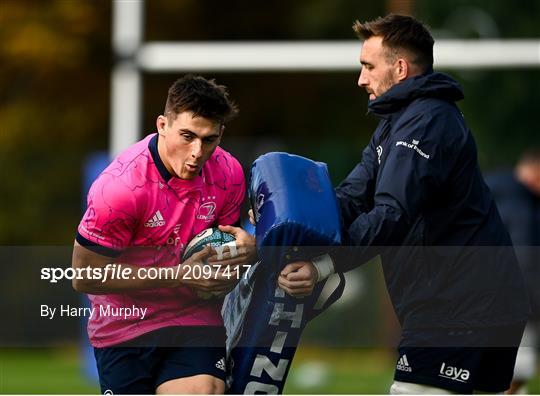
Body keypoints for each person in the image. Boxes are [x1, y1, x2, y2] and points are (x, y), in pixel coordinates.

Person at [274, 14, 530, 394]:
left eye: (368, 66)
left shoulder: (428, 122)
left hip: (461, 309)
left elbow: (391, 215)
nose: (361, 79)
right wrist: (283, 223)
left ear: (399, 67)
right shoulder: (395, 125)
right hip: (457, 306)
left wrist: (322, 266)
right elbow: (349, 199)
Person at [72, 75, 256, 394]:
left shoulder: (228, 173)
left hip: (193, 320)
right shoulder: (120, 188)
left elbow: (223, 257)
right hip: (123, 328)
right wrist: (180, 276)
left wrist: (246, 254)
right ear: (162, 125)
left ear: (221, 134)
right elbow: (84, 275)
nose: (197, 152)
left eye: (209, 139)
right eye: (187, 136)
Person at [485, 148, 540, 394]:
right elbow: (526, 263)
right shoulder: (522, 208)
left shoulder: (489, 190)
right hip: (513, 302)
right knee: (516, 369)